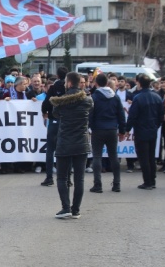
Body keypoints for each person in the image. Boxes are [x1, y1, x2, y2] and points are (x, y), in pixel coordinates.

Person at [49, 72, 93, 219]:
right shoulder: (88, 100)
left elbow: (55, 114)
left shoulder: (60, 101)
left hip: (64, 143)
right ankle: (76, 210)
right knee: (79, 178)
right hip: (82, 143)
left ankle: (65, 207)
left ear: (68, 83)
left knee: (62, 177)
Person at [125, 74, 164, 190]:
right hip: (152, 130)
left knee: (143, 157)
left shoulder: (138, 98)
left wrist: (127, 129)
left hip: (141, 130)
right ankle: (152, 180)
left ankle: (147, 181)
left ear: (139, 84)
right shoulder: (157, 97)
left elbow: (132, 115)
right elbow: (161, 115)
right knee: (151, 156)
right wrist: (156, 126)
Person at [89, 73, 126, 193]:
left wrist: (90, 128)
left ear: (96, 83)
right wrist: (122, 131)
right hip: (112, 129)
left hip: (98, 129)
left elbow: (90, 115)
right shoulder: (115, 97)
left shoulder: (94, 97)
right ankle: (117, 184)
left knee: (97, 156)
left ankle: (97, 184)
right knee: (114, 157)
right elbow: (121, 115)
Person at [40, 66, 68, 186]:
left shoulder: (53, 87)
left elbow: (46, 103)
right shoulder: (69, 88)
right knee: (67, 150)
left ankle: (49, 177)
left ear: (57, 75)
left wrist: (45, 112)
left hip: (54, 121)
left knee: (50, 150)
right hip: (67, 122)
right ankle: (67, 178)